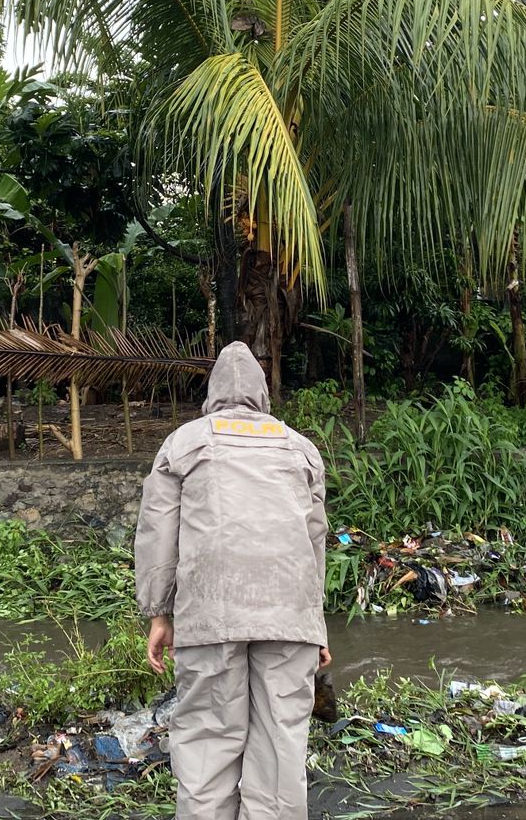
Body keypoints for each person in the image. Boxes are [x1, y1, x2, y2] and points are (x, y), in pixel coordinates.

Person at [134, 341, 330, 820]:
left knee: (207, 742)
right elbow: (314, 540)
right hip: (289, 619)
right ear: (263, 395)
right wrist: (316, 624)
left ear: (211, 394)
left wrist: (159, 613)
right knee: (282, 748)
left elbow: (159, 531)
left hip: (210, 612)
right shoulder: (300, 448)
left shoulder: (184, 443)